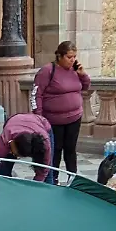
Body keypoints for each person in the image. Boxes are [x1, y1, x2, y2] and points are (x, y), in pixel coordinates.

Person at [33, 41, 90, 176]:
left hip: (74, 117)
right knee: (55, 150)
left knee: (70, 150)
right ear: (59, 56)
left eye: (74, 56)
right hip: (54, 120)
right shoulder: (48, 71)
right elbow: (36, 94)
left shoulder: (75, 70)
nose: (73, 60)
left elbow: (86, 86)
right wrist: (38, 117)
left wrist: (83, 74)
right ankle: (54, 178)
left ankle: (72, 178)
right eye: (69, 57)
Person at [0, 113, 55, 183]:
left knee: (47, 173)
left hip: (42, 125)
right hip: (14, 122)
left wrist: (36, 186)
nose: (17, 157)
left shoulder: (44, 143)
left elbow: (43, 171)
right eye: (15, 154)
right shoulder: (6, 137)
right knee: (4, 167)